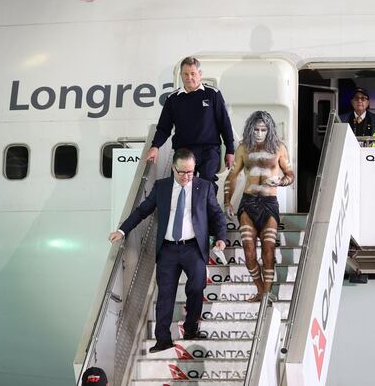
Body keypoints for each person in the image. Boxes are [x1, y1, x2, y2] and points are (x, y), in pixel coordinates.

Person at [109, 148, 227, 353]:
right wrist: (122, 230)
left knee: (197, 287)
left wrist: (221, 239)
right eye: (182, 172)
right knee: (165, 295)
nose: (187, 177)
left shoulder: (204, 187)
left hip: (194, 248)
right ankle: (162, 339)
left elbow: (217, 215)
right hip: (168, 250)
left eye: (190, 172)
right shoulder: (161, 187)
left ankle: (190, 328)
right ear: (173, 168)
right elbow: (142, 211)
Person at [224, 111, 294, 301]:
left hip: (269, 203)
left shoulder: (279, 148)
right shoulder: (243, 148)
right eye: (256, 129)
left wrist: (279, 181)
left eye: (263, 129)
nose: (259, 133)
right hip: (248, 202)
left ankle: (266, 293)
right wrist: (227, 202)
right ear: (250, 128)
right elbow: (232, 176)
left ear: (269, 129)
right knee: (248, 251)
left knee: (268, 249)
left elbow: (290, 175)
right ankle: (261, 290)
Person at [146, 56, 235, 189]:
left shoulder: (213, 94)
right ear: (181, 75)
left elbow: (224, 123)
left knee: (207, 183)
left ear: (199, 74)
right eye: (185, 74)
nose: (189, 77)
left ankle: (205, 210)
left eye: (193, 73)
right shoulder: (173, 99)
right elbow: (164, 128)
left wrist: (230, 150)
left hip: (209, 150)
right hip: (183, 150)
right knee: (180, 185)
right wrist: (155, 146)